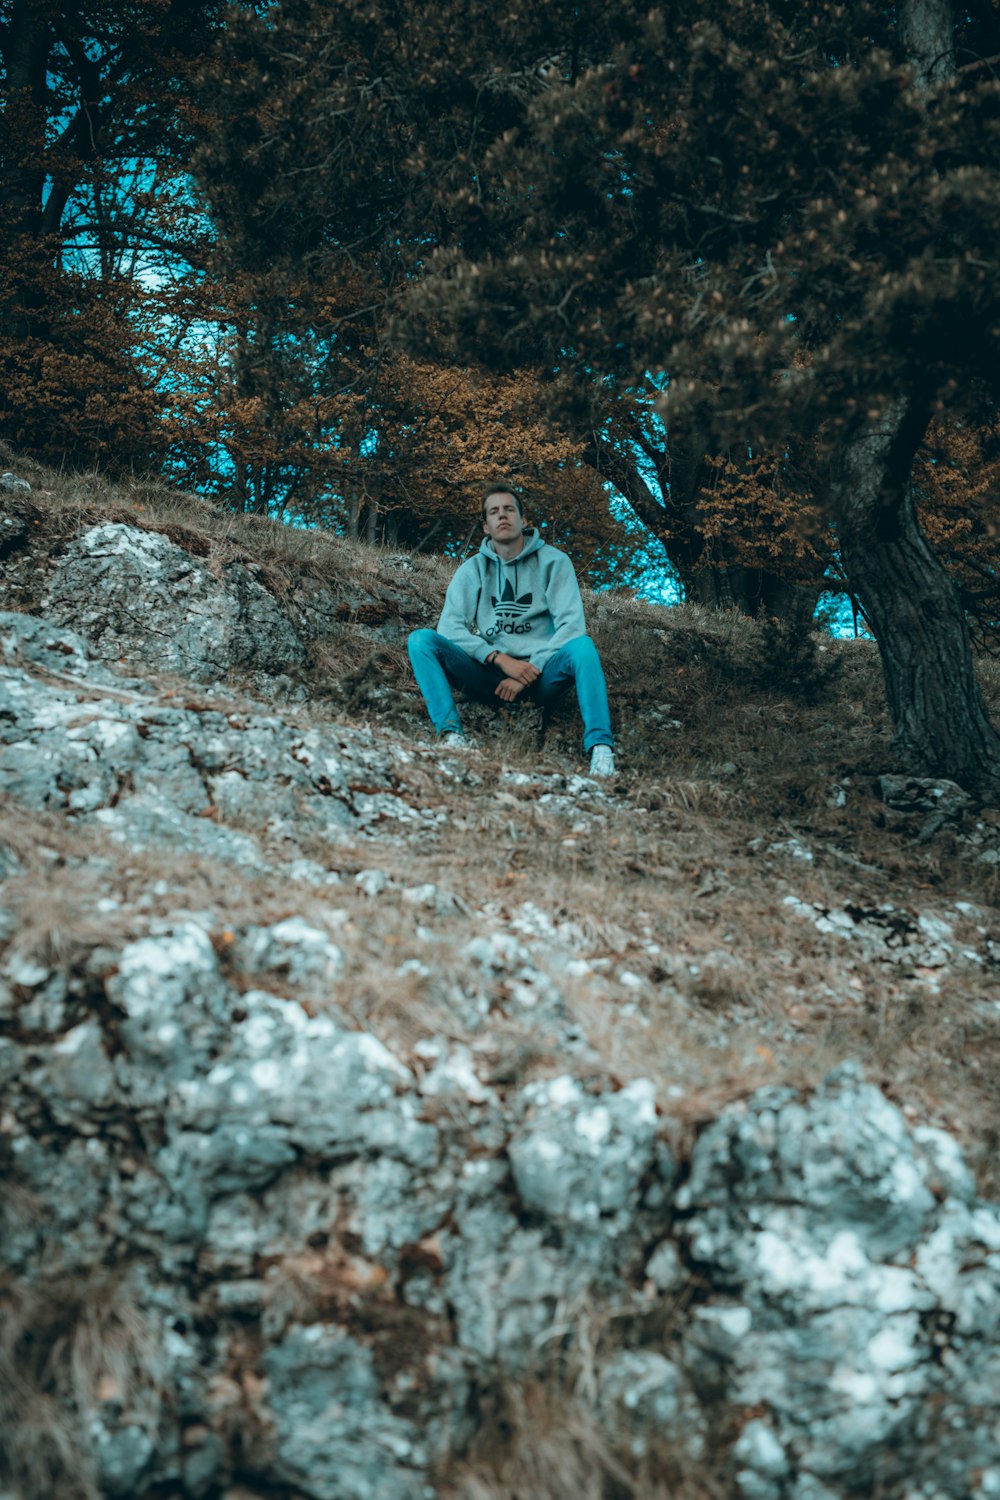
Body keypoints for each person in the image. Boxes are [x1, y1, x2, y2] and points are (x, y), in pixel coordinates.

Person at [407, 485, 616, 776]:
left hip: (543, 677)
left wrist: (529, 671)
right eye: (494, 511)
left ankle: (601, 751)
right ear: (486, 526)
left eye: (509, 509)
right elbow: (450, 628)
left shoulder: (555, 562)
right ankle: (452, 737)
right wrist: (500, 660)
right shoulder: (473, 568)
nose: (502, 516)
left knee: (583, 647)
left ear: (524, 520)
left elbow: (571, 626)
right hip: (489, 677)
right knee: (421, 641)